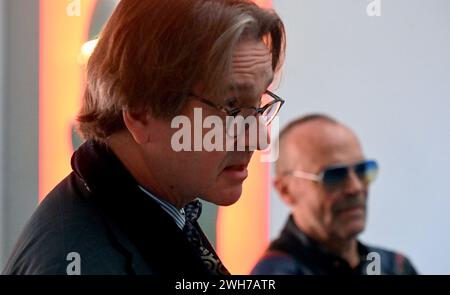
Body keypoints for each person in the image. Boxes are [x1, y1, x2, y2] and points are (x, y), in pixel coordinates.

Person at [3, 0, 285, 275]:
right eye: (233, 107)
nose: (259, 139)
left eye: (259, 104)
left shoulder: (161, 210)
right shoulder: (83, 260)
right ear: (140, 112)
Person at [252, 114, 417, 275]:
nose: (356, 188)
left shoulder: (396, 267)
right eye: (334, 175)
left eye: (362, 171)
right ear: (285, 190)